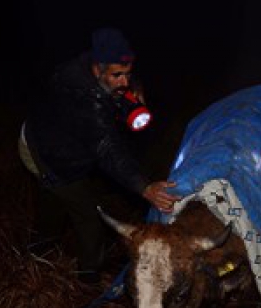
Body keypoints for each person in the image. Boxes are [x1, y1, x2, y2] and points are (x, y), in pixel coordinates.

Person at [19, 27, 180, 284]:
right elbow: (107, 149)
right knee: (89, 217)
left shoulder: (98, 67)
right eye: (117, 75)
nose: (124, 82)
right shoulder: (81, 98)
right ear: (97, 70)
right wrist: (145, 187)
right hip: (43, 152)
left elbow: (119, 85)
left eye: (127, 74)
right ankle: (87, 280)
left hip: (53, 139)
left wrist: (134, 87)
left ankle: (37, 251)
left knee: (54, 200)